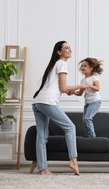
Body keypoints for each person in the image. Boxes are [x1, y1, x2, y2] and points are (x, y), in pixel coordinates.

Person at [32, 41, 87, 175]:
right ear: (59, 52)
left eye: (70, 48)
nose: (69, 50)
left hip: (38, 102)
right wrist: (81, 86)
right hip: (48, 102)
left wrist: (70, 91)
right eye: (66, 48)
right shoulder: (62, 63)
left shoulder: (54, 64)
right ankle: (73, 161)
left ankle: (43, 169)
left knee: (42, 136)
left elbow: (60, 88)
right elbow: (63, 87)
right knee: (70, 127)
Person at [69, 58, 103, 138]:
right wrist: (73, 92)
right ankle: (89, 137)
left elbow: (97, 88)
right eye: (81, 66)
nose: (82, 67)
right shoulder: (83, 81)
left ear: (91, 68)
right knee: (84, 121)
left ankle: (92, 138)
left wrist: (89, 85)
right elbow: (80, 93)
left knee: (87, 119)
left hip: (95, 101)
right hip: (87, 103)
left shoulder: (94, 77)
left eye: (85, 66)